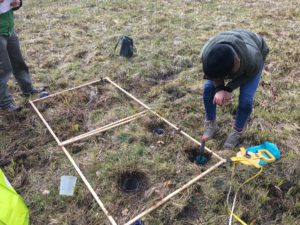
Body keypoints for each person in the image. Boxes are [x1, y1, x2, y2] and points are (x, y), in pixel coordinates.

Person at [200, 29, 269, 148]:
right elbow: (212, 76)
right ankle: (211, 124)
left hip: (255, 51)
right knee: (208, 89)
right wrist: (219, 88)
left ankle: (237, 132)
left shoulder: (252, 58)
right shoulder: (206, 54)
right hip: (228, 45)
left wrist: (229, 88)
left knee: (246, 100)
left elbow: (249, 74)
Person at [0, 0, 43, 112]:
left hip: (9, 29)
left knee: (18, 62)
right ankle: (5, 102)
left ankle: (28, 89)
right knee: (3, 69)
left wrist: (17, 3)